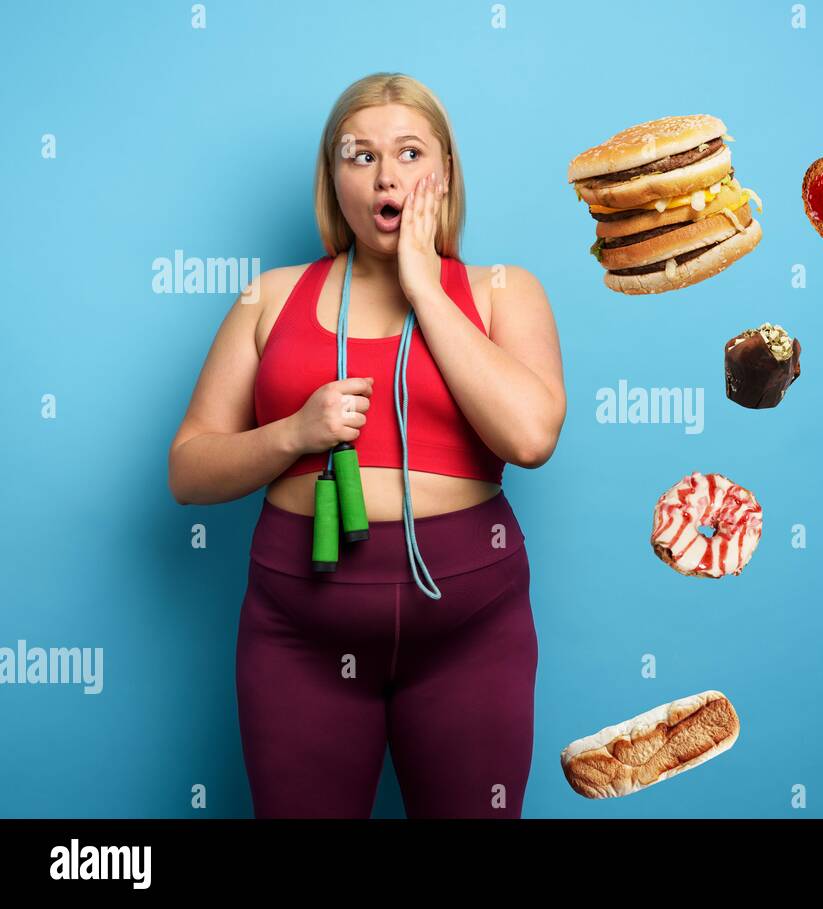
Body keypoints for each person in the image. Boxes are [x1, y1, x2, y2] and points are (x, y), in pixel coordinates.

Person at [167, 72, 565, 818]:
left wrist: (424, 285)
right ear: (333, 178)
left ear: (443, 174)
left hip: (471, 630)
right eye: (360, 156)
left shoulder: (506, 290)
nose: (387, 174)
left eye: (411, 153)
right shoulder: (269, 296)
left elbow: (531, 436)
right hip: (298, 633)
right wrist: (293, 433)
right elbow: (187, 469)